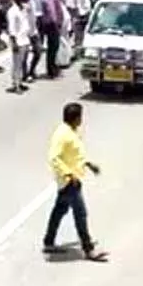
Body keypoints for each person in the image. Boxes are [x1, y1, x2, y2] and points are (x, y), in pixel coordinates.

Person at [43, 103, 108, 262]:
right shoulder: (62, 135)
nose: (82, 120)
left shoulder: (71, 131)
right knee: (81, 214)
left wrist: (88, 164)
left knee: (59, 211)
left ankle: (49, 242)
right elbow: (54, 157)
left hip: (71, 180)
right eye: (81, 117)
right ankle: (88, 249)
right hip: (70, 182)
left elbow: (74, 154)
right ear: (76, 118)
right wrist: (69, 174)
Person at [7, 0, 31, 93]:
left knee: (22, 63)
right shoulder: (12, 11)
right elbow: (11, 29)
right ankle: (16, 85)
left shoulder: (23, 9)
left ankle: (20, 82)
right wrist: (14, 43)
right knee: (17, 64)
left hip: (25, 39)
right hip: (18, 41)